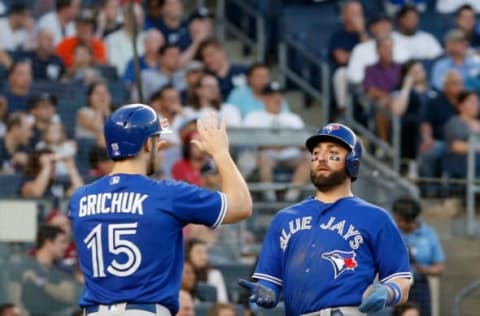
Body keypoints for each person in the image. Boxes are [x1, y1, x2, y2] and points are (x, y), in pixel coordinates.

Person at [69, 104, 252, 315]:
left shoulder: (80, 198)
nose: (161, 146)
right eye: (157, 141)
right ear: (148, 144)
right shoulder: (167, 194)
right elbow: (241, 206)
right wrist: (221, 153)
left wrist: (146, 136)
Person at [239, 123, 412, 315]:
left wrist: (389, 291)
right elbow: (270, 279)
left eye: (332, 153)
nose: (321, 158)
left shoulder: (376, 218)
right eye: (316, 153)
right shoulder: (284, 218)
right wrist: (267, 290)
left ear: (352, 161)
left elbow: (401, 279)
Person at [392, 197, 445, 316]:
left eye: (401, 220)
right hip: (396, 285)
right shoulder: (391, 232)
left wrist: (423, 269)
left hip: (420, 285)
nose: (399, 222)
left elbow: (439, 267)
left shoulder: (428, 234)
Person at [184, 238, 229, 303]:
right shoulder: (182, 274)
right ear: (188, 254)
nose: (204, 257)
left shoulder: (214, 275)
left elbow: (222, 302)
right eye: (199, 252)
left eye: (205, 252)